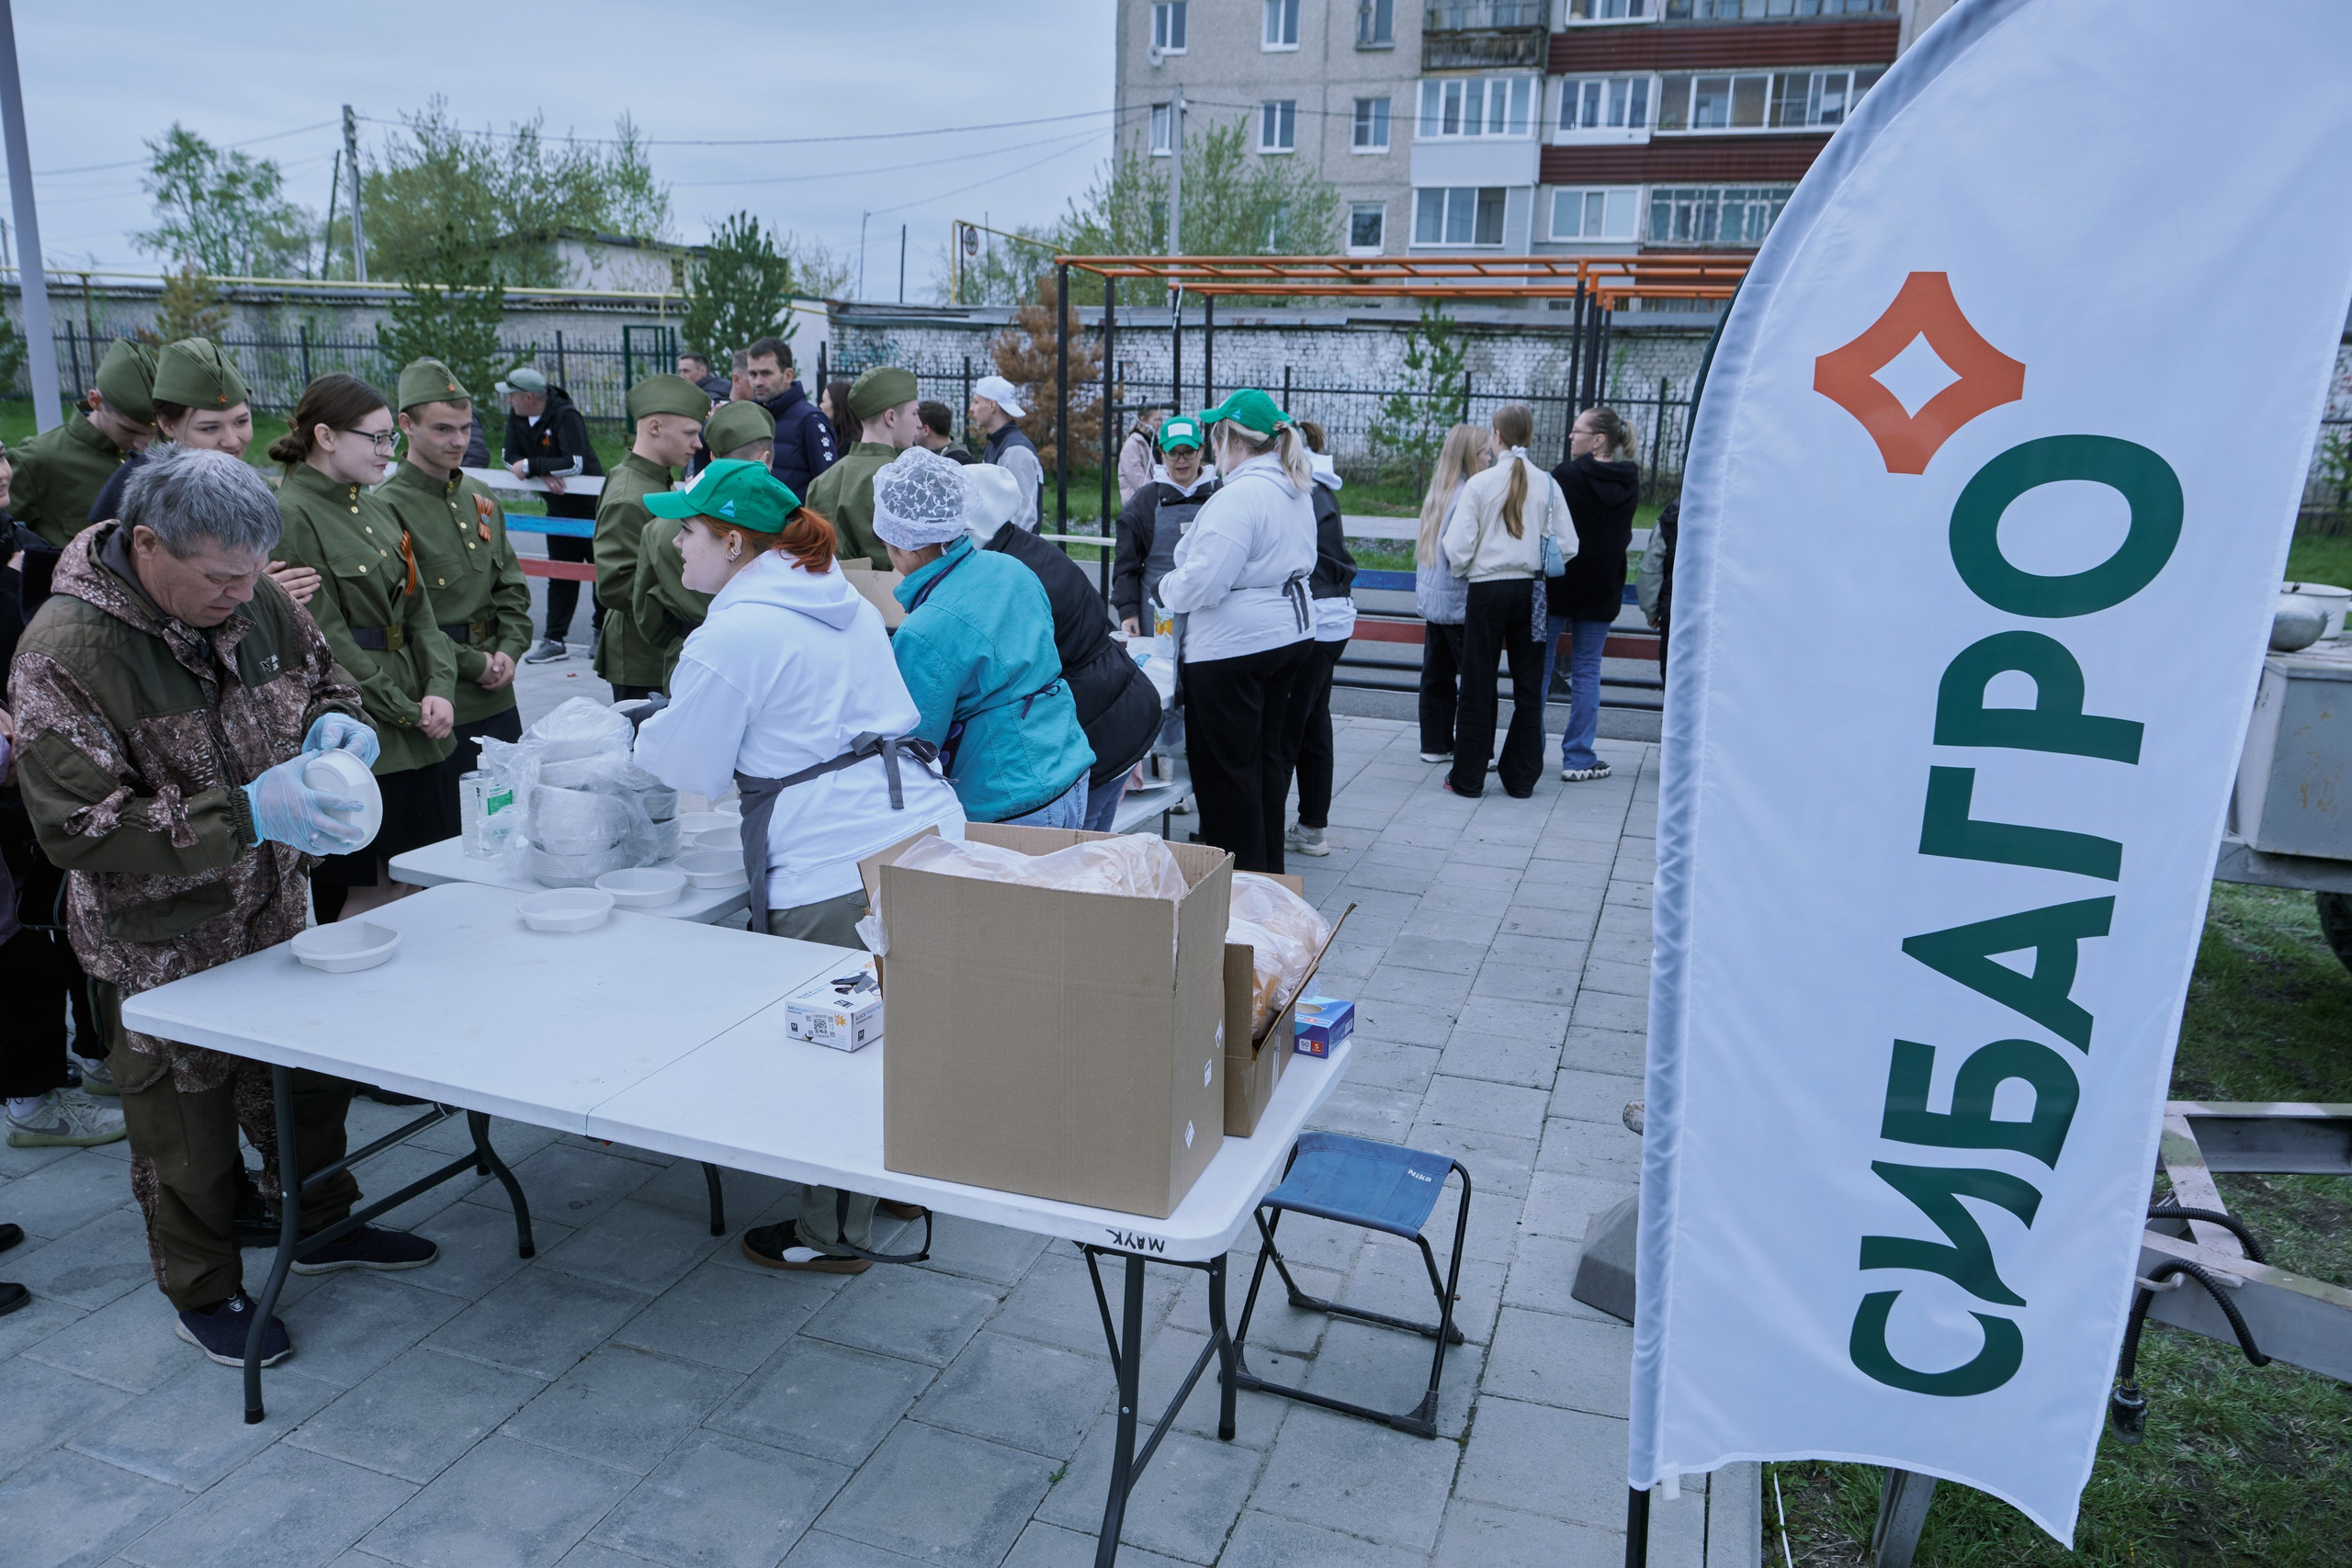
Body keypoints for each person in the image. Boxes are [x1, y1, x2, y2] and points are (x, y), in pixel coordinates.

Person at [8, 446, 439, 1370]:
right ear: (149, 543)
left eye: (253, 577)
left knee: (303, 1092)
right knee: (185, 1132)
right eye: (220, 579)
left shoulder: (255, 596)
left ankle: (318, 1224)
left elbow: (328, 677)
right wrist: (246, 812)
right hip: (159, 943)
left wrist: (344, 723)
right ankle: (203, 1291)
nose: (242, 597)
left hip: (276, 911)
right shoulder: (66, 652)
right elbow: (78, 829)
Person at [632, 460, 962, 1273]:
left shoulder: (733, 632)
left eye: (690, 530)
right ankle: (900, 1181)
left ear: (733, 542)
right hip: (919, 829)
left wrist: (635, 736)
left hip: (829, 858)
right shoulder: (835, 597)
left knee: (832, 1048)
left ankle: (827, 1235)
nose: (677, 544)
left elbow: (692, 767)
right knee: (905, 1021)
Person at [270, 375, 458, 919]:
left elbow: (421, 614)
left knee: (420, 882)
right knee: (372, 893)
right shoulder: (292, 514)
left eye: (389, 440)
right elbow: (323, 639)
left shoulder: (377, 509)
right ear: (325, 436)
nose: (387, 452)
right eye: (375, 439)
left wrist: (439, 691)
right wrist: (403, 709)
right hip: (363, 731)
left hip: (419, 724)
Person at [2, 438, 127, 1151]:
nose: (0, 468)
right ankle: (30, 1099)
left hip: (41, 767)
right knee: (24, 953)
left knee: (61, 931)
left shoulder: (28, 546)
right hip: (12, 780)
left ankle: (84, 1056)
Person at [875, 448, 1093, 826]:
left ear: (899, 542)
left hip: (1008, 799)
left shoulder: (924, 630)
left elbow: (915, 746)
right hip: (1068, 765)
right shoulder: (1012, 568)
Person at [1160, 389, 1317, 874]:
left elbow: (1202, 583)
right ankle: (1267, 878)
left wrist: (1168, 586)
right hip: (1288, 635)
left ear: (1229, 438)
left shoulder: (1241, 496)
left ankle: (1239, 893)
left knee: (1227, 777)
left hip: (1233, 650)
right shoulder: (1293, 487)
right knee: (1267, 767)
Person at [966, 464, 1160, 833]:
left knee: (1073, 865)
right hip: (1120, 708)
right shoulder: (1024, 546)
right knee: (1092, 853)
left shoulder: (1004, 574)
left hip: (1096, 726)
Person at [381, 359, 532, 795]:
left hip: (499, 693)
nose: (460, 441)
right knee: (450, 833)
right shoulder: (388, 507)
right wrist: (475, 664)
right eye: (443, 429)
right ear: (406, 424)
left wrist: (509, 650)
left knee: (509, 814)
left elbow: (511, 589)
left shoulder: (480, 496)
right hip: (443, 699)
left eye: (466, 428)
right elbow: (407, 617)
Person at [1442, 405, 1577, 800]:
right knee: (1529, 686)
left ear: (1496, 436)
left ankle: (1467, 778)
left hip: (1486, 591)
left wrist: (1468, 566)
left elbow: (1458, 546)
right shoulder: (1548, 484)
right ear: (1530, 436)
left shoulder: (1481, 484)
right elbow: (1569, 546)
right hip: (1532, 592)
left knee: (1477, 685)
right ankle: (1520, 778)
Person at [633, 400, 776, 692]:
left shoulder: (661, 523)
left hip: (688, 658)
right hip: (769, 666)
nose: (680, 538)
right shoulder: (788, 523)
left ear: (711, 455)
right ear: (764, 459)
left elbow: (648, 616)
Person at [594, 374, 711, 701]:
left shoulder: (648, 480)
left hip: (652, 649)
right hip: (643, 657)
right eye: (690, 433)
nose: (698, 444)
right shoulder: (630, 496)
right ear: (655, 428)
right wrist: (689, 593)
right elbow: (615, 584)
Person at [1548, 406, 1641, 784]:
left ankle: (1527, 753)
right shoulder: (1630, 480)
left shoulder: (1565, 476)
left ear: (1598, 439)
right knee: (1587, 671)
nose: (1572, 436)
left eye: (1578, 430)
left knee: (1538, 670)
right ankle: (1579, 757)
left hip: (1558, 584)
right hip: (1602, 589)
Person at [1283, 420, 1358, 859]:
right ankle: (1311, 825)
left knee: (1289, 728)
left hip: (1314, 619)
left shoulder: (1302, 490)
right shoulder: (1320, 486)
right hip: (1333, 618)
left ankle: (1274, 828)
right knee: (1314, 721)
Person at [10, 338, 155, 554]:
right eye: (130, 430)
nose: (144, 445)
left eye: (153, 432)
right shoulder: (38, 459)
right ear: (95, 401)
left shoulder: (162, 452)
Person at [500, 367, 603, 665]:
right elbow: (509, 458)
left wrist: (533, 465)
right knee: (559, 574)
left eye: (513, 396)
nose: (509, 402)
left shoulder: (566, 415)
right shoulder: (518, 416)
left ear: (528, 396)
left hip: (591, 510)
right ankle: (554, 639)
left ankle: (600, 634)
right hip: (556, 511)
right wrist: (540, 469)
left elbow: (575, 463)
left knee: (600, 574)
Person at [1414, 425, 1488, 766]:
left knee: (1436, 675)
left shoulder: (1440, 491)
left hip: (1435, 600)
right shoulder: (1468, 494)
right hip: (1459, 601)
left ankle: (1435, 742)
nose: (1490, 458)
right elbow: (1461, 553)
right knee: (1474, 679)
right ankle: (1478, 750)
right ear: (1471, 457)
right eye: (1485, 452)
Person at [806, 367, 923, 570]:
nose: (919, 423)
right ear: (891, 417)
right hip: (888, 597)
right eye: (914, 413)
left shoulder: (822, 481)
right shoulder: (902, 480)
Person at [1111, 414, 1217, 635]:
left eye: (1189, 451)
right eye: (1173, 453)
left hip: (1212, 616)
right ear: (1161, 453)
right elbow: (1127, 566)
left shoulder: (1221, 495)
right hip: (1159, 618)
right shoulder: (1143, 503)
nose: (1181, 460)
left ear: (1201, 450)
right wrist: (1128, 612)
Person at [742, 336, 838, 501]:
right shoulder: (748, 415)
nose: (758, 381)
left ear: (787, 375)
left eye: (766, 373)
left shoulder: (810, 421)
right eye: (753, 374)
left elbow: (830, 488)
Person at [968, 374, 1044, 532]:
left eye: (976, 402)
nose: (971, 408)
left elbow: (1025, 517)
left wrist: (1005, 554)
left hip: (1012, 553)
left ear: (992, 405)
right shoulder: (998, 446)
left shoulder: (1016, 451)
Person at [1638, 496, 1680, 675]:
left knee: (1673, 668)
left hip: (1675, 604)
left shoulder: (1673, 513)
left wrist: (1651, 610)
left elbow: (1652, 567)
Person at [1117, 407, 1168, 504]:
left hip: (1153, 501)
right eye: (1156, 419)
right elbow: (1138, 479)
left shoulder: (1154, 441)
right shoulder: (1132, 444)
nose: (1160, 423)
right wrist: (1157, 495)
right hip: (1138, 504)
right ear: (1143, 419)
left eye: (1160, 419)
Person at [915, 400, 973, 464]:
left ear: (926, 430)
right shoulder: (928, 457)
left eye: (915, 427)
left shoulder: (961, 463)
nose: (912, 432)